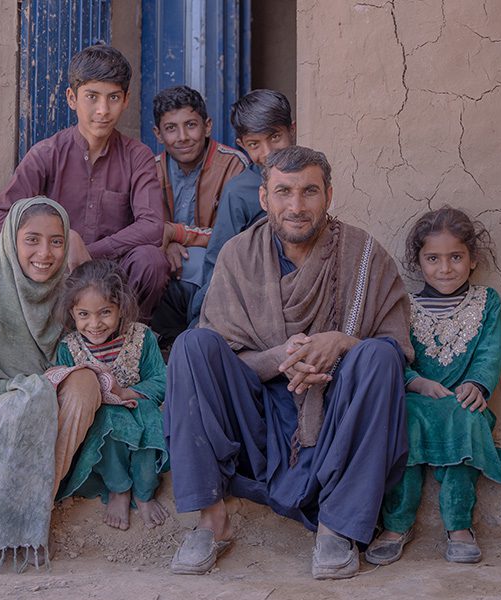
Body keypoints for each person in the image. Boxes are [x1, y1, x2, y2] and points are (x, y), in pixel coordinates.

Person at [164, 146, 413, 580]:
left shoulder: (365, 255)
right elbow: (225, 348)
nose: (296, 207)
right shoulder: (238, 255)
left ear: (329, 195)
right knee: (191, 347)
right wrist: (279, 358)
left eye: (309, 192)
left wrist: (339, 343)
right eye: (283, 192)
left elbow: (396, 347)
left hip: (336, 412)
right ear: (264, 198)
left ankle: (339, 525)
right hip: (257, 416)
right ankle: (211, 520)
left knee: (377, 356)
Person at [0, 197, 106, 573]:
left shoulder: (70, 295)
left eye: (56, 241)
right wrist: (24, 390)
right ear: (11, 241)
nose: (45, 253)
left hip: (49, 414)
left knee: (84, 384)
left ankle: (28, 505)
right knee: (34, 400)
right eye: (32, 240)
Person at [365, 207, 501, 566]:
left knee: (467, 420)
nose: (445, 268)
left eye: (456, 257)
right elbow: (396, 354)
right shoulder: (404, 304)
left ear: (472, 260)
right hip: (417, 400)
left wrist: (477, 385)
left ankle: (459, 526)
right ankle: (396, 524)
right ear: (418, 262)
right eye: (433, 258)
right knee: (399, 422)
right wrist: (415, 383)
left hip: (461, 401)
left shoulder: (487, 302)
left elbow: (489, 353)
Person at [0, 44, 169, 319]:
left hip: (112, 279)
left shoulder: (136, 156)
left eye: (114, 98)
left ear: (126, 100)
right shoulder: (48, 153)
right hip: (56, 273)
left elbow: (153, 226)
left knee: (151, 260)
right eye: (92, 97)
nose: (103, 110)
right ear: (72, 98)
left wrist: (91, 251)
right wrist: (62, 242)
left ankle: (125, 340)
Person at [50, 259, 171, 531]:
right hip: (102, 419)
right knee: (106, 424)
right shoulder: (69, 348)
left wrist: (128, 392)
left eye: (105, 312)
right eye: (84, 314)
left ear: (121, 307)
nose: (94, 324)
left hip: (139, 410)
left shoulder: (141, 337)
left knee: (150, 425)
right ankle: (118, 489)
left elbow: (161, 379)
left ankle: (144, 492)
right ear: (72, 312)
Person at [148, 85, 249, 347]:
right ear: (158, 134)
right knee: (149, 264)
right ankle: (163, 344)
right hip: (171, 260)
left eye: (191, 125)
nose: (182, 137)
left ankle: (200, 341)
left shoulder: (233, 164)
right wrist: (166, 243)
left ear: (207, 126)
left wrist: (177, 234)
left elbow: (234, 237)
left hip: (216, 264)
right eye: (171, 128)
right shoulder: (151, 170)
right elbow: (143, 226)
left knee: (203, 263)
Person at [187, 89, 296, 325]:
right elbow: (218, 258)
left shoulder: (309, 177)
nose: (268, 153)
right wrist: (200, 317)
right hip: (256, 294)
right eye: (254, 144)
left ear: (293, 130)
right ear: (241, 144)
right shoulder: (239, 192)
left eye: (275, 137)